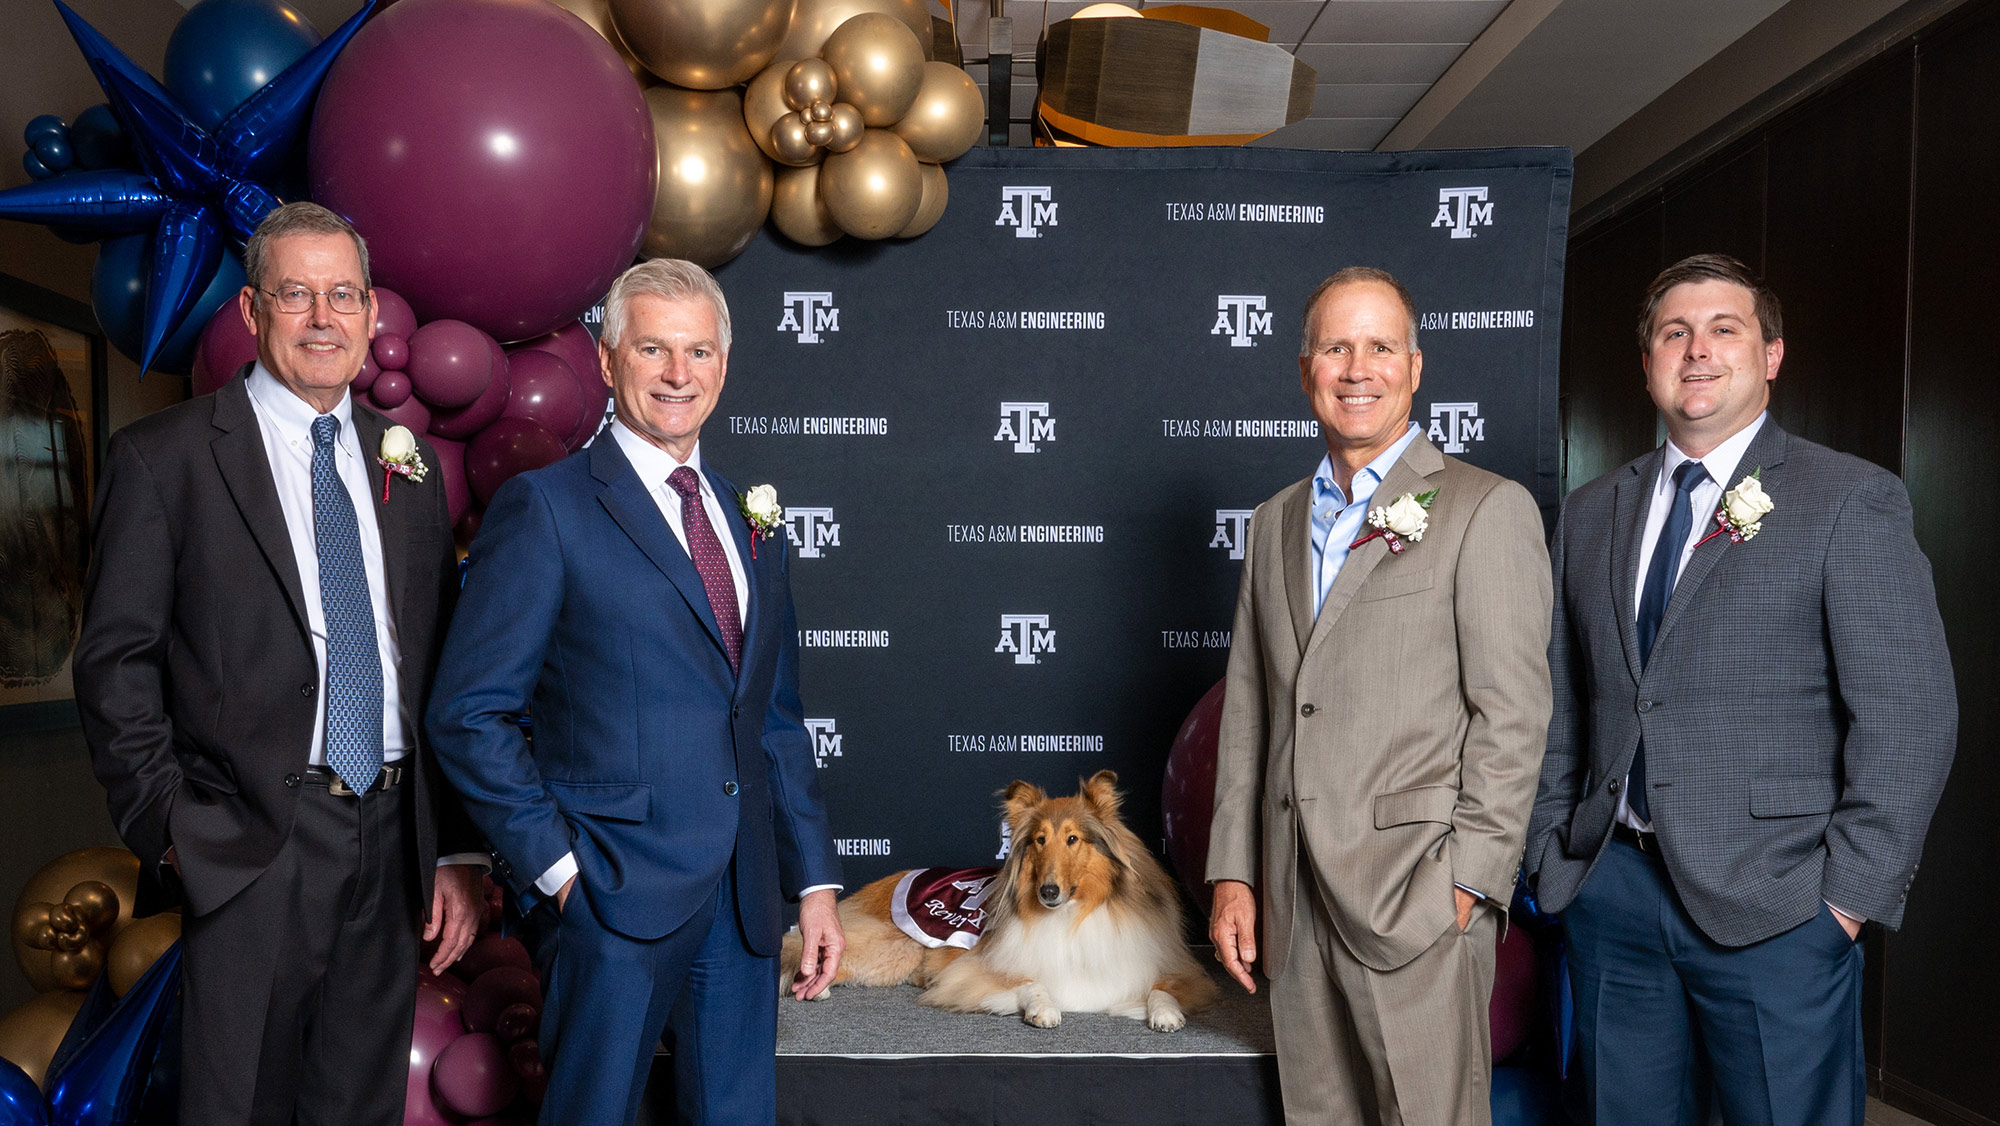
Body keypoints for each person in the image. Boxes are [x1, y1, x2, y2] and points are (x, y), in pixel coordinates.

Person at [72, 201, 486, 1125]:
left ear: (374, 314)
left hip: (391, 835)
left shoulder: (406, 463)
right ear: (253, 313)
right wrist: (173, 828)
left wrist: (453, 844)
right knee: (237, 1103)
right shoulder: (162, 459)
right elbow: (115, 665)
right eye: (296, 294)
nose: (323, 318)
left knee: (357, 1102)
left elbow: (438, 667)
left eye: (343, 295)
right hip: (253, 834)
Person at [1524, 253, 1955, 1126]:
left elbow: (1909, 716)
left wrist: (1845, 901)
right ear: (1647, 361)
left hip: (1784, 908)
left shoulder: (1849, 499)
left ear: (1771, 356)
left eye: (1725, 329)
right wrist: (1552, 850)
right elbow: (1563, 697)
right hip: (1615, 898)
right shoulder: (1590, 511)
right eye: (1673, 333)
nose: (1698, 350)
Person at [425, 258, 845, 1126]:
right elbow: (469, 713)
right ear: (608, 360)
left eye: (697, 352)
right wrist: (561, 872)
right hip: (610, 897)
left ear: (724, 366)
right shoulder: (547, 507)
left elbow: (770, 716)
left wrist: (812, 883)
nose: (678, 374)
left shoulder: (747, 518)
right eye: (653, 348)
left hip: (742, 902)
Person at [1207, 267, 1553, 1125]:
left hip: (1417, 899)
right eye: (1335, 347)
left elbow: (1513, 715)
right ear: (1304, 370)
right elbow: (1251, 710)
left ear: (1416, 366)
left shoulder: (1485, 508)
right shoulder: (1274, 521)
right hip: (1292, 900)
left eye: (1380, 346)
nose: (1357, 368)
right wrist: (1233, 875)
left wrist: (1466, 883)